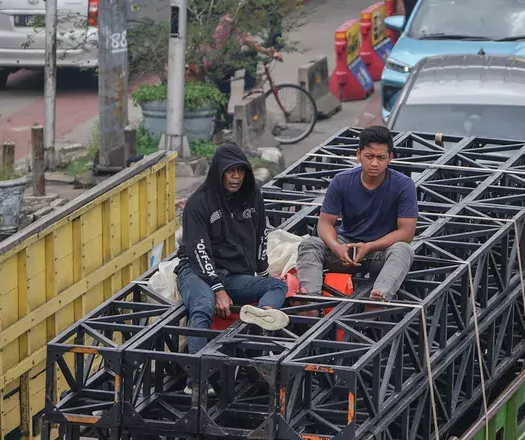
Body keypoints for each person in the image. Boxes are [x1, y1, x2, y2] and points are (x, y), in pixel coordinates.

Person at [177, 144, 289, 355]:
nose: (236, 177)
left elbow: (260, 235)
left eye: (241, 171)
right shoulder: (198, 203)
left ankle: (262, 315)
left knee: (277, 287)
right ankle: (197, 382)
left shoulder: (252, 193)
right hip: (196, 271)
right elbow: (198, 251)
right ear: (219, 172)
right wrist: (218, 289)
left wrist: (262, 272)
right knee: (203, 305)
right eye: (230, 171)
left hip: (233, 275)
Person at [296, 126, 417, 301]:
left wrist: (370, 246)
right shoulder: (341, 181)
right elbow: (325, 223)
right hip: (347, 248)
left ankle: (379, 296)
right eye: (369, 156)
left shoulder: (404, 185)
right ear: (358, 154)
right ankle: (310, 297)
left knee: (403, 250)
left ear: (390, 158)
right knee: (310, 244)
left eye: (381, 158)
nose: (375, 163)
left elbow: (406, 232)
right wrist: (336, 247)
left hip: (381, 251)